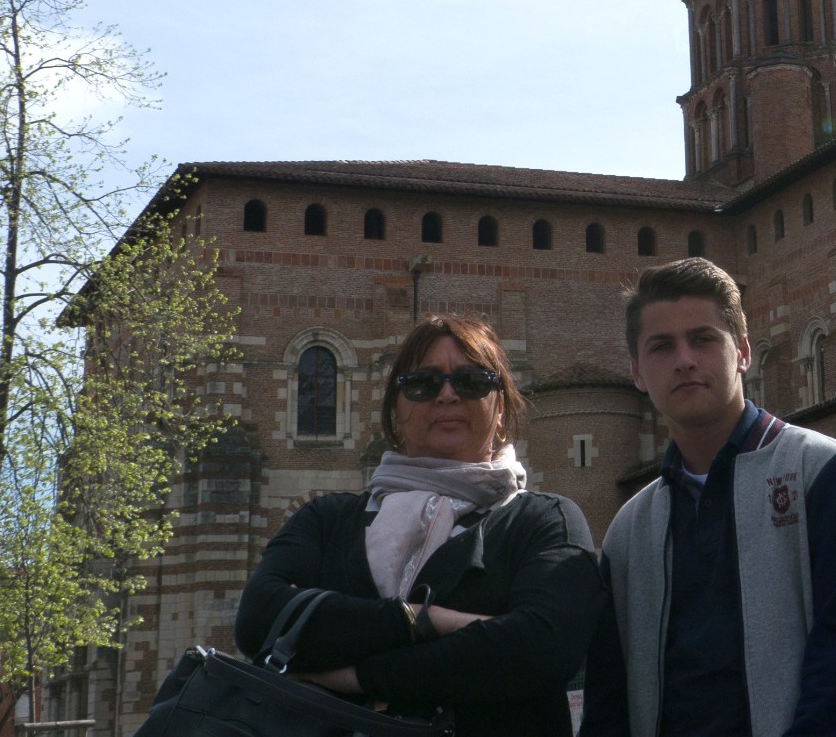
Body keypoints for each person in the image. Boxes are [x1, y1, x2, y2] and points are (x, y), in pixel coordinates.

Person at [236, 315, 600, 737]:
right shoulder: (326, 519)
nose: (447, 394)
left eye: (472, 381)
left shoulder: (545, 521)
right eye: (423, 384)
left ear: (500, 408)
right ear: (396, 411)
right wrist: (425, 619)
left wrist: (358, 676)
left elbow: (541, 649)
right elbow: (259, 619)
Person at [581, 257, 836, 737]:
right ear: (637, 373)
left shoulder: (822, 473)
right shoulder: (628, 532)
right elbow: (608, 701)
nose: (684, 359)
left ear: (742, 351)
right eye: (662, 346)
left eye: (703, 339)